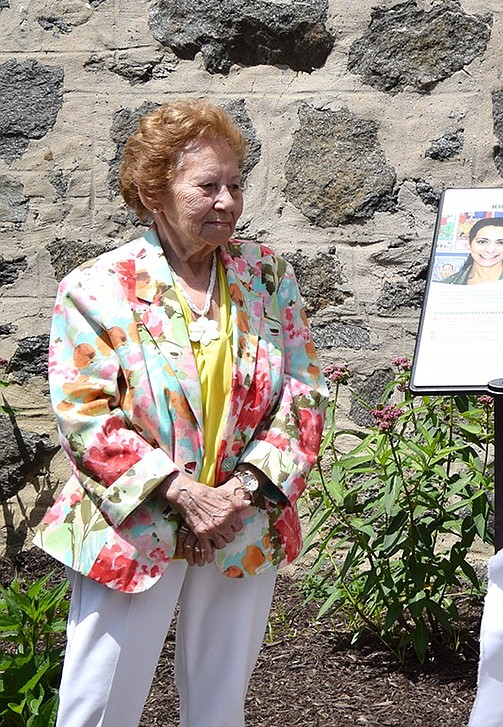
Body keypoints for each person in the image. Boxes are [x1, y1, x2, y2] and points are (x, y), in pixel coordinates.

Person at [34, 100, 329, 727]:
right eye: (208, 185)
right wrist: (182, 492)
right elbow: (85, 412)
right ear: (154, 191)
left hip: (243, 520)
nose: (227, 200)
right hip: (136, 523)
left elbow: (303, 389)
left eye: (236, 184)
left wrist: (241, 493)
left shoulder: (268, 275)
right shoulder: (96, 286)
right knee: (99, 704)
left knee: (222, 706)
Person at [443, 216, 503, 284]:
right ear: (468, 243)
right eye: (482, 242)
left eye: (501, 243)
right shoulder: (448, 283)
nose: (490, 250)